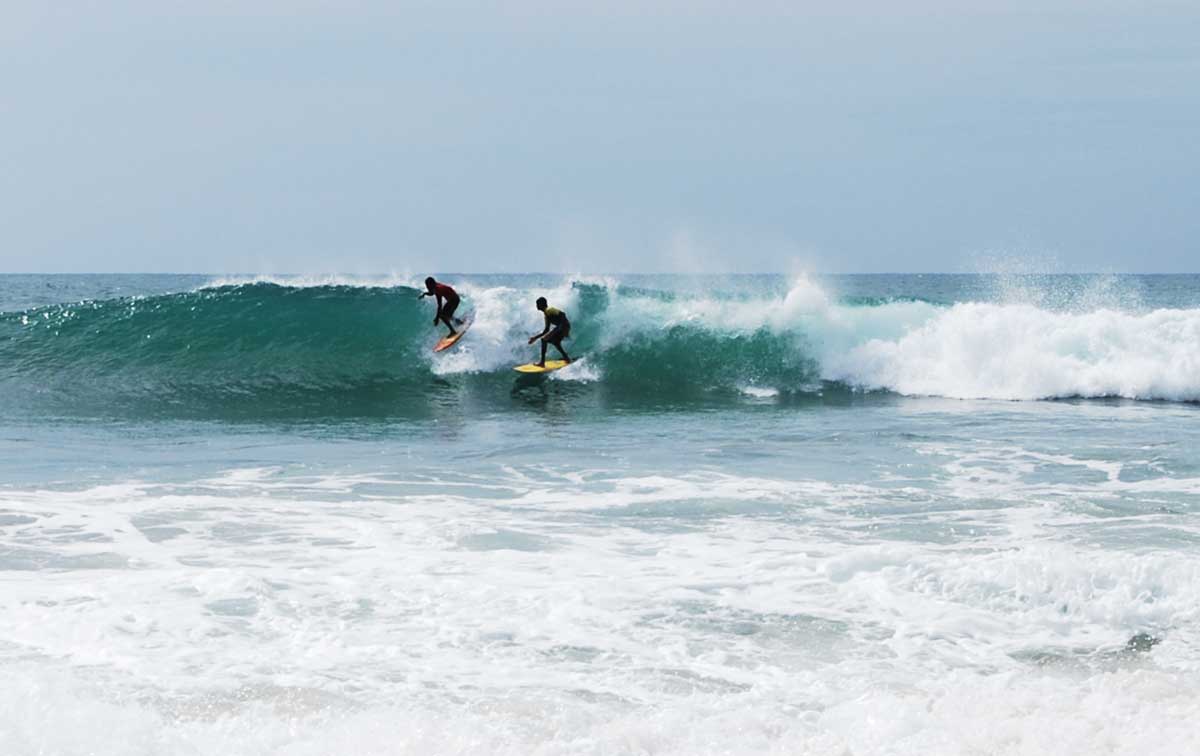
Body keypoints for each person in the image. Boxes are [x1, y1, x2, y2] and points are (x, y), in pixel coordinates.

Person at [528, 296, 571, 367]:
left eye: (537, 304)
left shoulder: (549, 310)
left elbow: (563, 314)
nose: (536, 306)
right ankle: (566, 357)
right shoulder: (546, 315)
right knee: (555, 342)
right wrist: (534, 338)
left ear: (541, 304)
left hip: (564, 326)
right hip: (561, 327)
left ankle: (542, 363)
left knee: (544, 340)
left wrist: (560, 327)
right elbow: (546, 330)